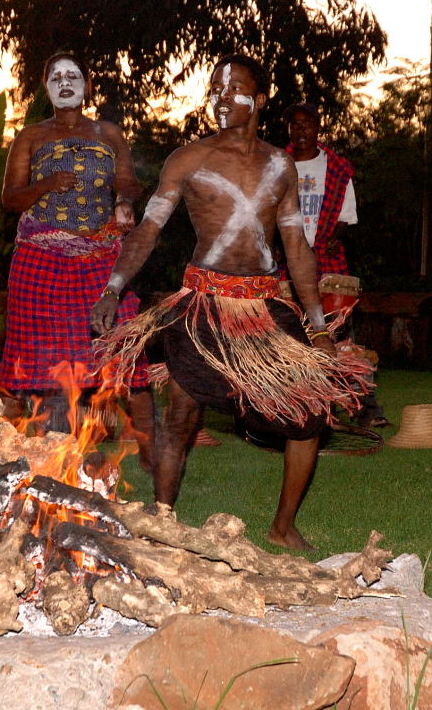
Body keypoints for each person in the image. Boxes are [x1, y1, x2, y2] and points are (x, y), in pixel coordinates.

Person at [91, 54, 369, 550]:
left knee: (309, 416)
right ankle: (163, 524)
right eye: (215, 88)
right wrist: (114, 285)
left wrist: (319, 327)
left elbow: (297, 248)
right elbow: (148, 231)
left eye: (235, 88)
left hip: (263, 309)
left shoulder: (280, 165)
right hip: (201, 306)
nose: (222, 97)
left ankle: (283, 529)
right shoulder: (188, 158)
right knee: (180, 418)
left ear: (259, 100)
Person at [0, 52, 155, 469]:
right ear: (46, 86)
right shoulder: (31, 136)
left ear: (86, 84)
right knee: (32, 356)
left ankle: (147, 451)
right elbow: (10, 198)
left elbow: (129, 180)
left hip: (99, 256)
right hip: (40, 258)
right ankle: (9, 453)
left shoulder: (108, 132)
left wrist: (122, 201)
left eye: (73, 75)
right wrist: (46, 183)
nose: (65, 82)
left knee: (120, 341)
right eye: (56, 76)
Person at [283, 102, 388, 427]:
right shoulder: (276, 163)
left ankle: (364, 410)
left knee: (340, 337)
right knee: (289, 337)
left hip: (328, 266)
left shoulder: (338, 167)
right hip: (286, 263)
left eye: (307, 124)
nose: (301, 130)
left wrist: (327, 240)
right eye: (294, 124)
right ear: (289, 129)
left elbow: (346, 215)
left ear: (318, 127)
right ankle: (292, 410)